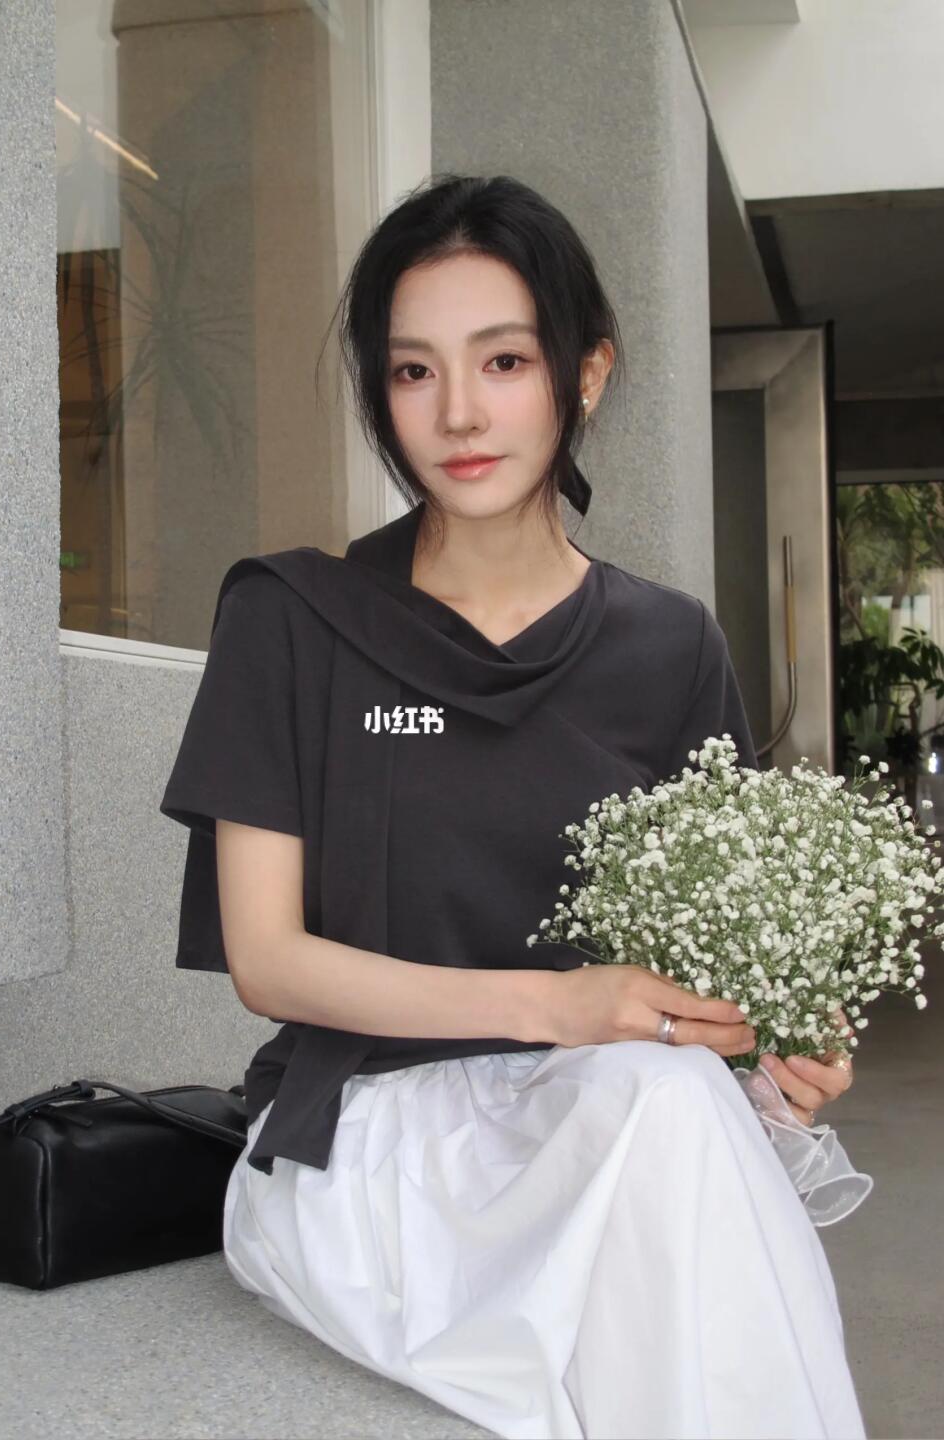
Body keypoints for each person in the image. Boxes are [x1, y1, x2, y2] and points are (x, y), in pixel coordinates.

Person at [160, 174, 866, 1440]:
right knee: (662, 1135)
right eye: (414, 371)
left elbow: (699, 967)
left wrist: (770, 1046)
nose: (460, 413)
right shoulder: (293, 619)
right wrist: (561, 1005)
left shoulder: (671, 647)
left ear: (585, 373)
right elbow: (267, 961)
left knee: (675, 1109)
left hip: (600, 1121)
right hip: (361, 1140)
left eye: (504, 361)